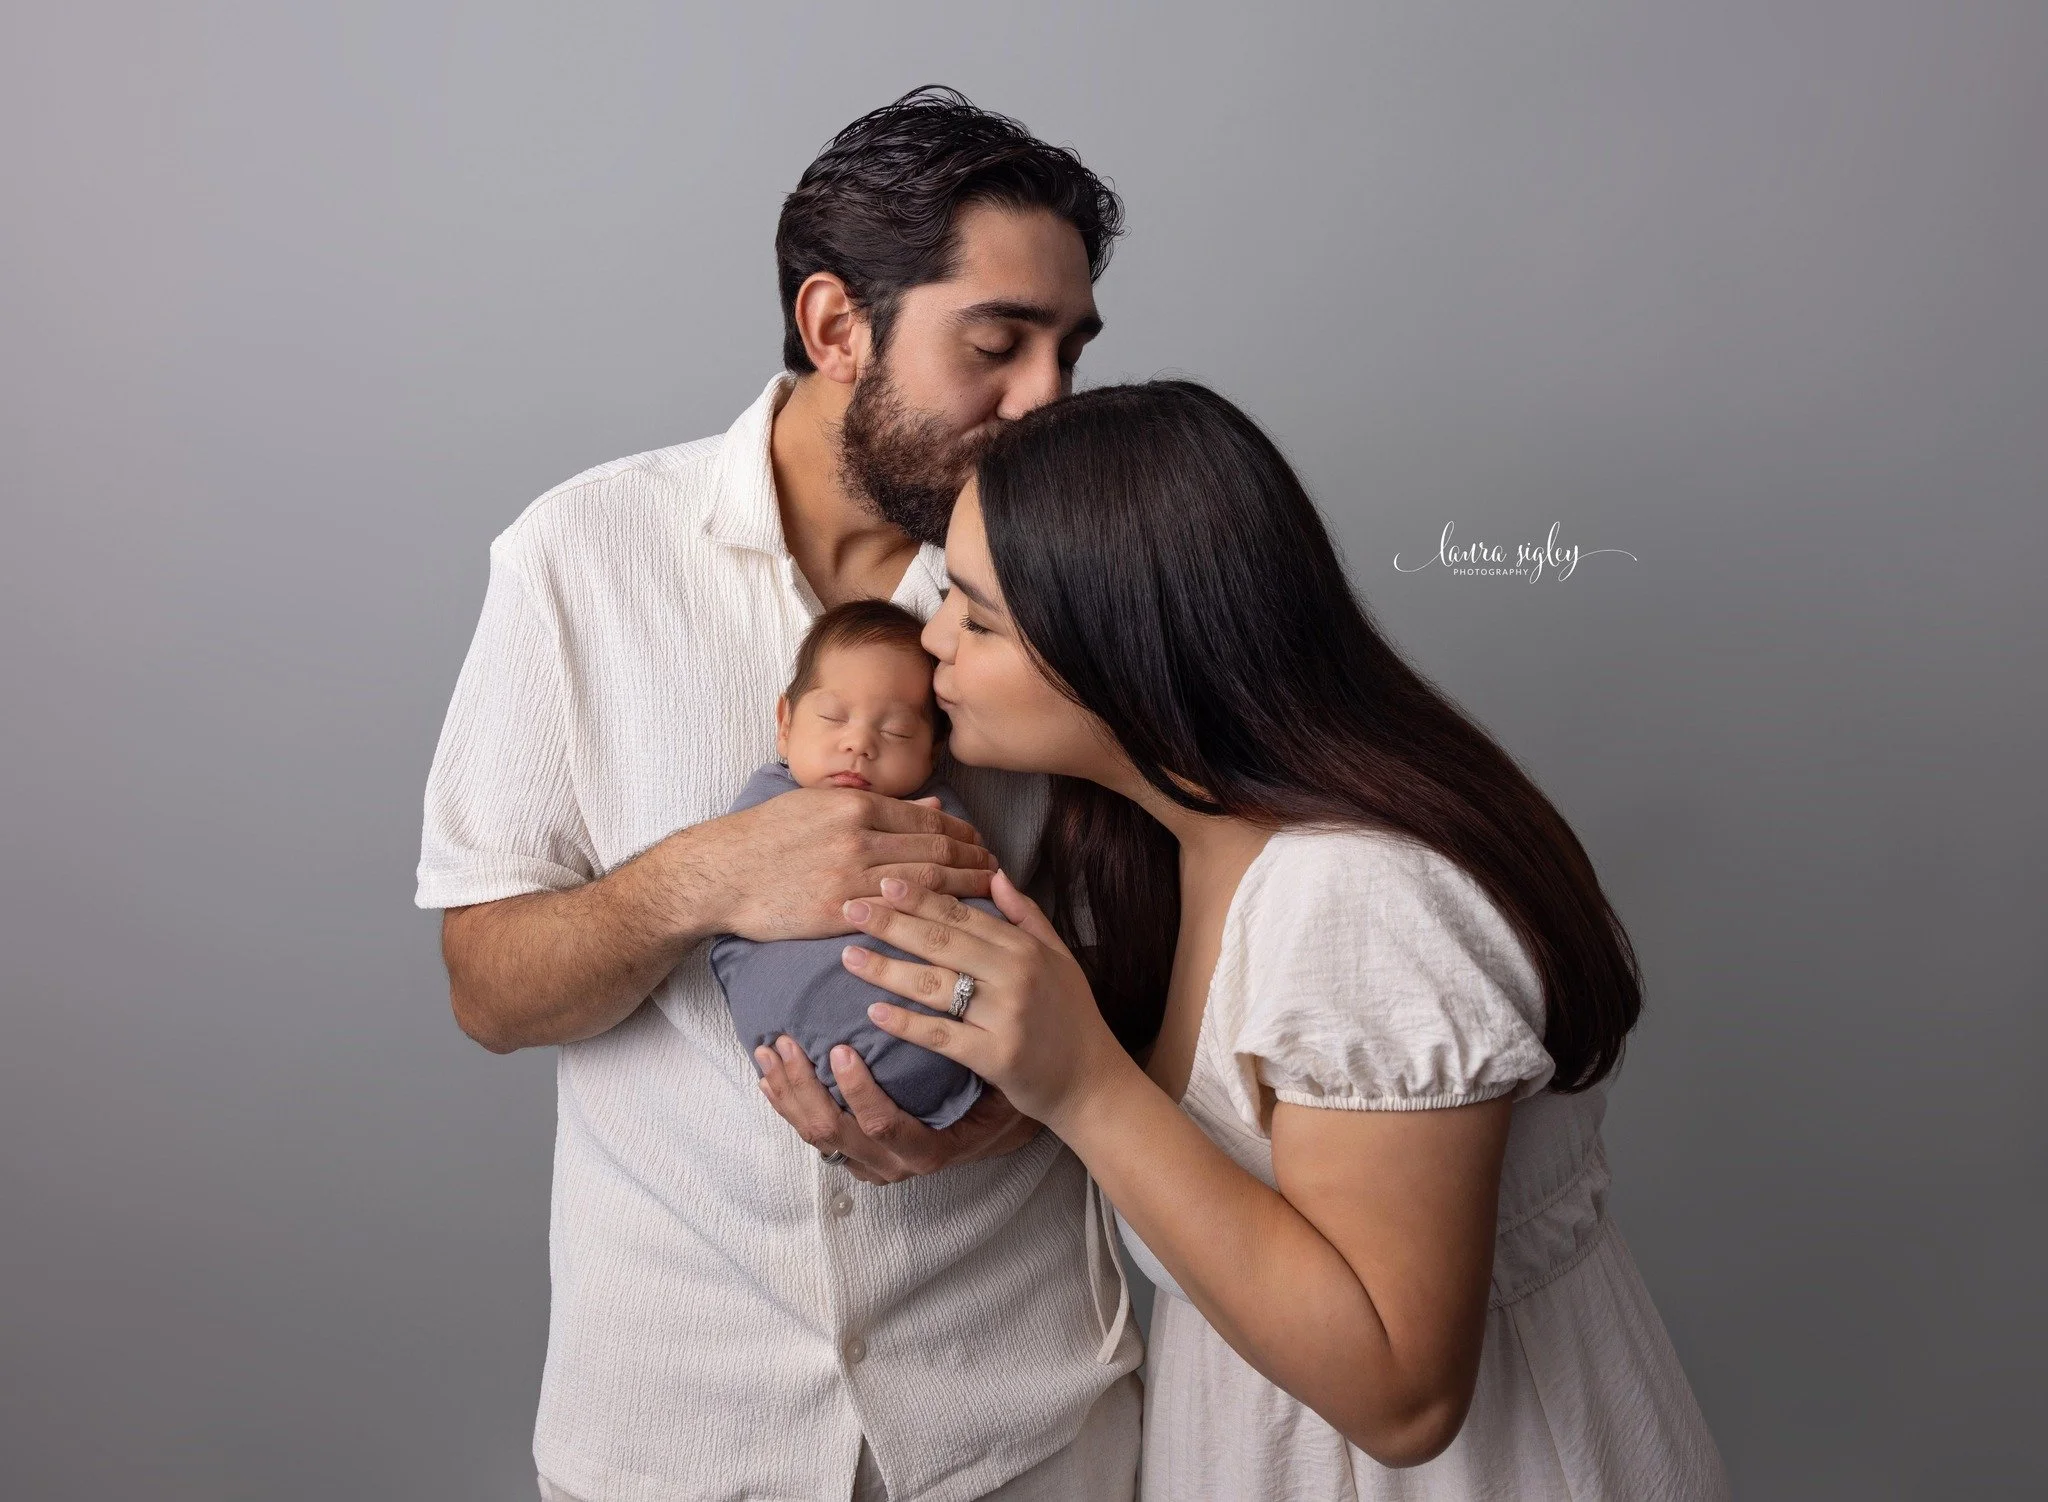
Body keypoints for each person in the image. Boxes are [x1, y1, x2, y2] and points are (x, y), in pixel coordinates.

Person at [758, 381, 1732, 1499]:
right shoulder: (1169, 845)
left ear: (1121, 648)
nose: (929, 639)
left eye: (974, 620)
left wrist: (1081, 1083)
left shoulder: (1353, 897)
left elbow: (1404, 1394)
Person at [416, 88, 1142, 1502]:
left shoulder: (1087, 590)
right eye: (997, 344)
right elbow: (487, 991)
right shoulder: (580, 557)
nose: (1047, 400)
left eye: (1070, 348)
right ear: (833, 325)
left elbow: (1168, 950)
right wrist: (707, 876)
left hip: (1024, 1418)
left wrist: (1034, 1101)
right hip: (677, 1430)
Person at [711, 599, 998, 1129]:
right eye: (833, 717)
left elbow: (988, 912)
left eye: (896, 732)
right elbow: (725, 908)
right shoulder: (764, 806)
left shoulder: (936, 816)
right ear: (785, 723)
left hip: (939, 1046)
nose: (859, 743)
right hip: (797, 1049)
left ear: (932, 753)